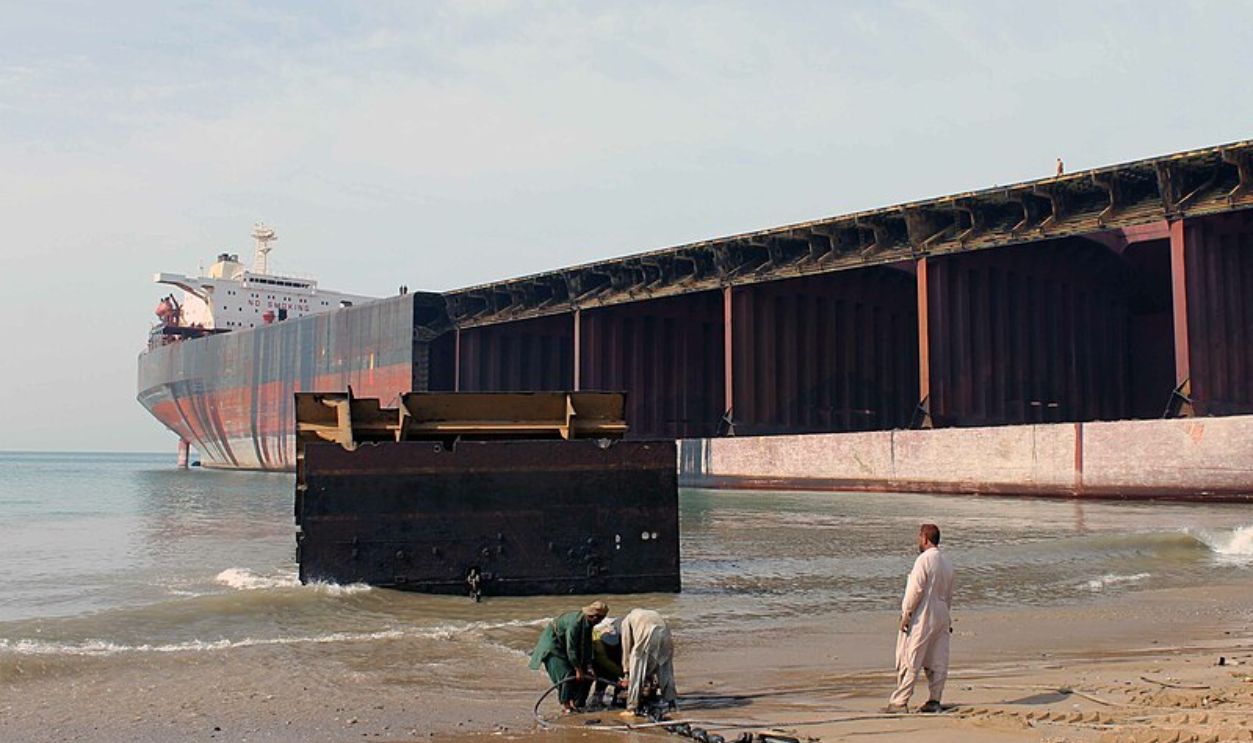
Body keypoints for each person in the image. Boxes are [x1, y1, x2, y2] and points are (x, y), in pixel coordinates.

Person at [887, 523, 955, 714]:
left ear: (925, 538)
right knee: (938, 658)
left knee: (911, 656)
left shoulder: (924, 560)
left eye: (919, 537)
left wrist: (907, 614)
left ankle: (900, 701)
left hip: (924, 612)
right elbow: (949, 594)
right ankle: (935, 699)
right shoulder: (947, 562)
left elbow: (915, 590)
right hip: (942, 612)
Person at [529, 601, 609, 712]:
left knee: (586, 674)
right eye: (600, 619)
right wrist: (577, 668)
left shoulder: (588, 623)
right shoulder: (575, 624)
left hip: (564, 644)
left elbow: (587, 645)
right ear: (594, 617)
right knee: (567, 674)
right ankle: (567, 706)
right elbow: (571, 649)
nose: (600, 622)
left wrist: (589, 666)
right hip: (553, 645)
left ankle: (577, 703)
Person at [618, 608, 677, 717]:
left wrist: (626, 673)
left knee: (636, 671)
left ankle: (632, 708)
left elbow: (626, 646)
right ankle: (672, 703)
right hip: (665, 632)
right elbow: (653, 660)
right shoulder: (648, 614)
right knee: (665, 669)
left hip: (648, 633)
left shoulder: (626, 621)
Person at [588, 617, 625, 709]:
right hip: (602, 668)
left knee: (620, 688)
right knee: (602, 682)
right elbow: (606, 663)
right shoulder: (598, 646)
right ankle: (596, 702)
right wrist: (623, 676)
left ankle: (618, 701)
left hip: (616, 664)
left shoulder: (621, 643)